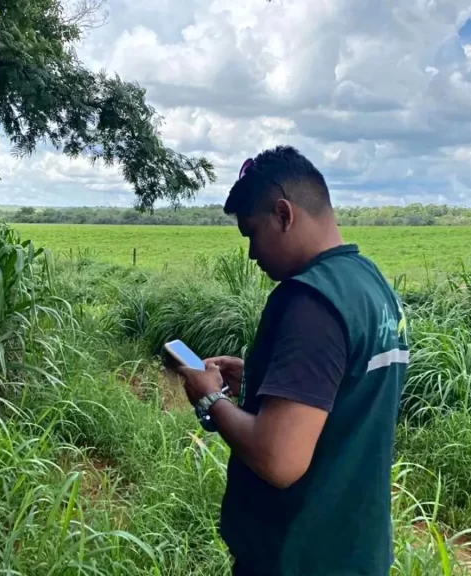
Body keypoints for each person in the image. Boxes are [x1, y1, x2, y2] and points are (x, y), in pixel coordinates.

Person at [177, 146, 410, 576]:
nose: (251, 254)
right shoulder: (372, 286)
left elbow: (279, 459)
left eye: (251, 233)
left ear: (283, 214)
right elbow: (345, 391)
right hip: (356, 552)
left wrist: (211, 400)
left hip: (298, 556)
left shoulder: (309, 302)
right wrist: (266, 379)